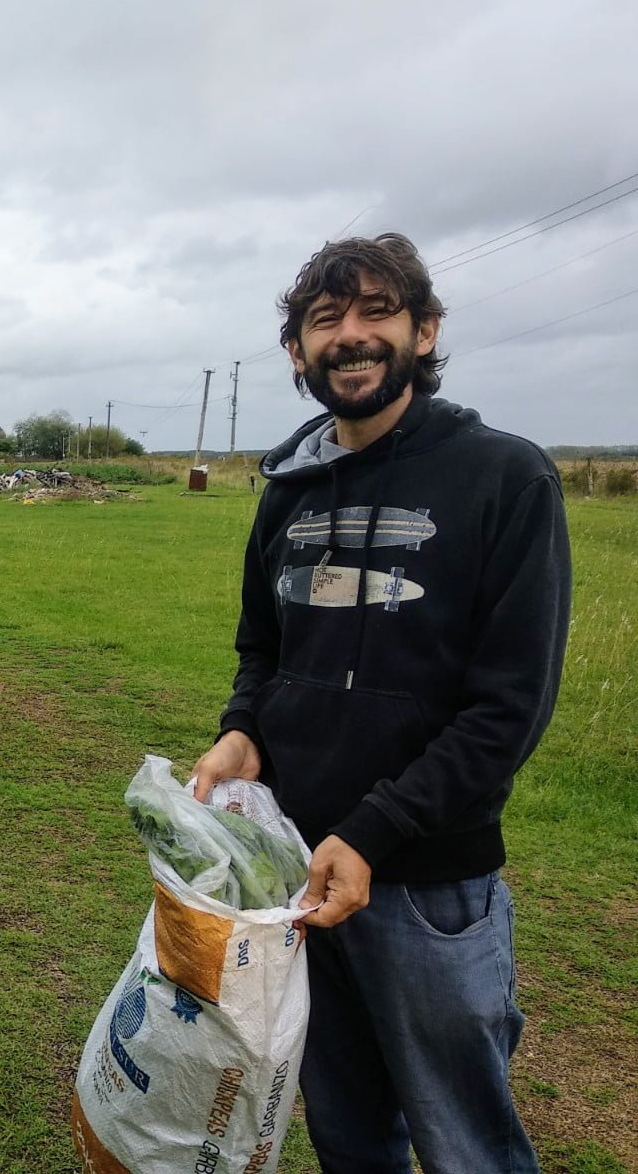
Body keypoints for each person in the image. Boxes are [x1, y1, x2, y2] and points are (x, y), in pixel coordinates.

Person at [191, 234, 569, 1174]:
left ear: (425, 332)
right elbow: (263, 649)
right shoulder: (288, 490)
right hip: (298, 877)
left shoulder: (504, 479)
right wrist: (244, 730)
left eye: (376, 313)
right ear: (297, 352)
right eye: (326, 321)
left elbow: (508, 708)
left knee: (466, 1145)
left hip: (430, 886)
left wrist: (376, 830)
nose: (350, 337)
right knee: (349, 1133)